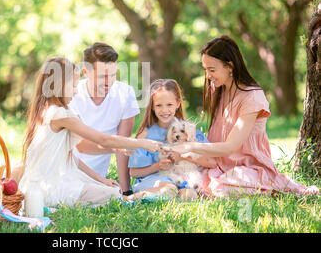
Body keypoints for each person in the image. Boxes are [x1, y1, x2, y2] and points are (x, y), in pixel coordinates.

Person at [170, 35, 319, 197]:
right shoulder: (218, 90)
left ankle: (270, 189)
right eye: (205, 70)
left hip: (249, 169)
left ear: (230, 67)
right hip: (218, 166)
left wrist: (190, 147)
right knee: (188, 183)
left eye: (212, 70)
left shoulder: (252, 97)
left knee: (222, 187)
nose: (208, 76)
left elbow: (230, 147)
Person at [17, 57, 167, 208]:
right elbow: (103, 140)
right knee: (114, 195)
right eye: (73, 86)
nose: (76, 92)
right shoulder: (60, 115)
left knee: (109, 188)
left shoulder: (48, 110)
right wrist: (142, 143)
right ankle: (148, 196)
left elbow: (72, 158)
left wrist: (101, 179)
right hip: (51, 191)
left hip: (45, 187)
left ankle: (133, 195)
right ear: (60, 85)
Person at [68, 42, 140, 196]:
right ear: (86, 72)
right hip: (69, 170)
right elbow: (80, 145)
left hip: (98, 177)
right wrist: (118, 146)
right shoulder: (72, 94)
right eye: (102, 76)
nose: (109, 82)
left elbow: (123, 144)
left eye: (113, 75)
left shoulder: (125, 93)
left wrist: (126, 190)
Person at [128, 79, 216, 200]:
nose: (164, 110)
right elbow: (133, 173)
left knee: (189, 195)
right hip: (155, 180)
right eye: (159, 105)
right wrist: (158, 166)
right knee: (169, 189)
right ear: (152, 107)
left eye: (169, 105)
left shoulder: (189, 130)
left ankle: (172, 198)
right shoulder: (146, 135)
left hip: (183, 179)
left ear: (178, 103)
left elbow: (212, 162)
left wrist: (183, 157)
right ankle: (129, 199)